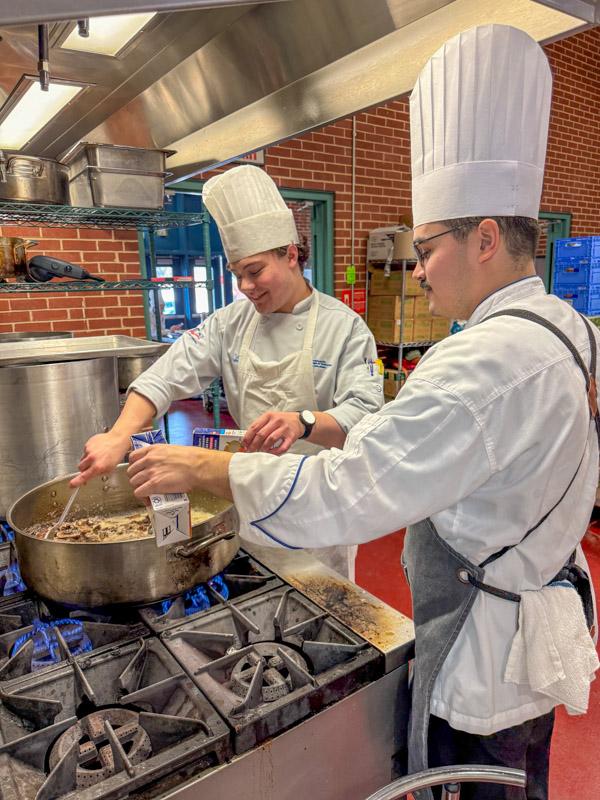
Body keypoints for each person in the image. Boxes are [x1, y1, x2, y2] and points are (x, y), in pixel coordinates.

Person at [124, 25, 600, 800]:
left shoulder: (484, 359)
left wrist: (208, 467)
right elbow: (397, 434)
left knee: (481, 782)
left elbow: (354, 487)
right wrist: (310, 430)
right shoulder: (559, 327)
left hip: (487, 652)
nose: (415, 272)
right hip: (531, 612)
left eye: (426, 250)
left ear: (485, 238)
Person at [72, 164, 383, 581]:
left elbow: (365, 417)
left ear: (290, 255)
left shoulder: (344, 327)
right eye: (238, 275)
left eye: (254, 271)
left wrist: (304, 422)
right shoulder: (229, 322)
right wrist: (118, 434)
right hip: (247, 493)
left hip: (317, 503)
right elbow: (163, 377)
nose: (246, 287)